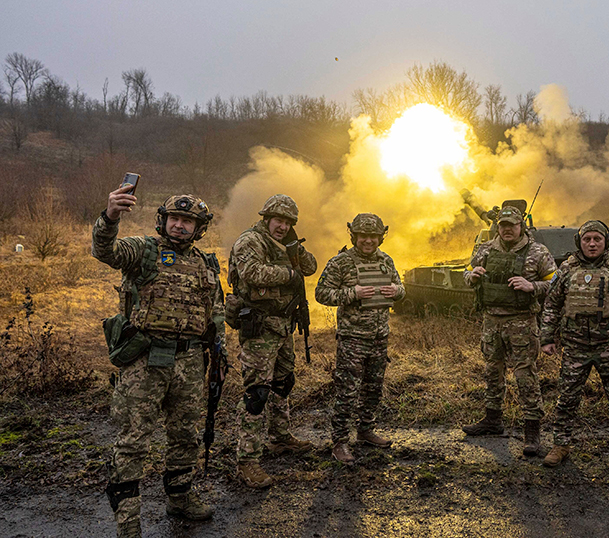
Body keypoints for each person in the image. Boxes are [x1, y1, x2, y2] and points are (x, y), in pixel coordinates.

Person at [93, 185, 224, 538]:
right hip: (145, 362)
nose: (180, 226)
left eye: (188, 221)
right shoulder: (143, 251)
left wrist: (219, 345)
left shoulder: (204, 262)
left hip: (190, 362)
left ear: (199, 228)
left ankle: (180, 496)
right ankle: (129, 522)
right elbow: (104, 250)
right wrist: (110, 216)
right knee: (134, 440)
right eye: (175, 219)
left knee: (185, 435)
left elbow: (215, 308)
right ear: (163, 221)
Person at [539, 220, 609, 470]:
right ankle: (561, 444)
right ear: (579, 242)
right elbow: (552, 305)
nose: (592, 243)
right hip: (575, 346)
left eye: (597, 239)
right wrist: (547, 338)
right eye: (587, 239)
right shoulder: (566, 269)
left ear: (605, 241)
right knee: (566, 397)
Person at [228, 194, 317, 488]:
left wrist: (295, 248)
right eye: (278, 220)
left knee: (283, 383)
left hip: (282, 325)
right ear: (267, 218)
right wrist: (288, 273)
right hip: (259, 326)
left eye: (288, 222)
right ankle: (247, 461)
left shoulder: (286, 244)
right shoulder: (250, 240)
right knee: (257, 394)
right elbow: (251, 273)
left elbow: (311, 266)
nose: (282, 226)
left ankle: (280, 438)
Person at [462, 204, 557, 457]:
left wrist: (532, 286)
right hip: (491, 322)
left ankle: (532, 431)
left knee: (526, 376)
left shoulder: (537, 252)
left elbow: (556, 284)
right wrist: (472, 277)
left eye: (511, 226)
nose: (506, 230)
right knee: (492, 371)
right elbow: (466, 272)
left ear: (520, 226)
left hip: (522, 322)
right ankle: (492, 420)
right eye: (502, 226)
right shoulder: (485, 249)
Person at [315, 213, 404, 464]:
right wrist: (351, 293)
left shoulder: (386, 261)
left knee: (373, 389)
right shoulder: (341, 263)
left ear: (380, 237)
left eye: (373, 236)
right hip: (352, 339)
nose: (368, 241)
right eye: (363, 236)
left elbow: (401, 288)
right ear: (354, 235)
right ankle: (340, 441)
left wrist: (397, 291)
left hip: (379, 337)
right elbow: (322, 293)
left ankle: (365, 431)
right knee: (347, 391)